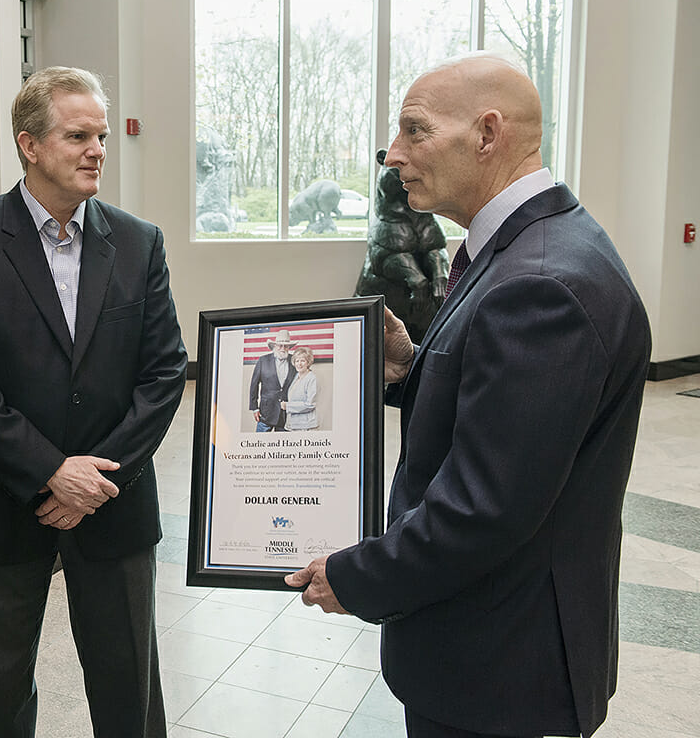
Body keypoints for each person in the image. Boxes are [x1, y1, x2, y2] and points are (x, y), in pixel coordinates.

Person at [285, 54, 651, 738]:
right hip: (491, 646)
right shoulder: (530, 248)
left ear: (488, 133)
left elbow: (485, 507)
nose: (393, 154)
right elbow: (505, 417)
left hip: (499, 666)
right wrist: (410, 368)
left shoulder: (539, 284)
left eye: (414, 131)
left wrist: (357, 576)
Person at [0, 66, 187, 738]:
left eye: (100, 135)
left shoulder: (138, 241)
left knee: (128, 682)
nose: (97, 148)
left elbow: (163, 375)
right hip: (0, 501)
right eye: (78, 135)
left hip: (113, 500)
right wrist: (49, 471)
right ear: (30, 144)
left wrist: (95, 480)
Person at [248, 329, 297, 431]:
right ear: (275, 346)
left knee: (282, 445)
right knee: (260, 444)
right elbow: (254, 385)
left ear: (289, 347)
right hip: (265, 412)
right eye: (280, 345)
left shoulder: (295, 361)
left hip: (285, 414)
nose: (283, 349)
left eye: (286, 346)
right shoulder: (263, 361)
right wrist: (254, 408)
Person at [281, 345, 319, 431]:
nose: (299, 364)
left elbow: (310, 404)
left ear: (308, 362)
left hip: (306, 425)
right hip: (293, 424)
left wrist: (288, 406)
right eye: (297, 361)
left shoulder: (311, 378)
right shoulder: (296, 376)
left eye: (303, 361)